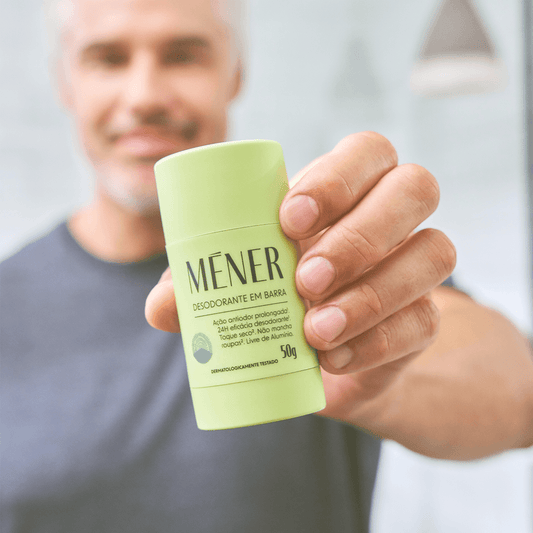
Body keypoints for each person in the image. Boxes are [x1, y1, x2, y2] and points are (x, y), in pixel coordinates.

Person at [1, 0, 532, 531]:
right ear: (65, 82)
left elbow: (519, 389)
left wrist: (385, 379)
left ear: (235, 73)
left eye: (184, 55)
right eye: (108, 58)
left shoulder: (309, 257)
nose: (145, 96)